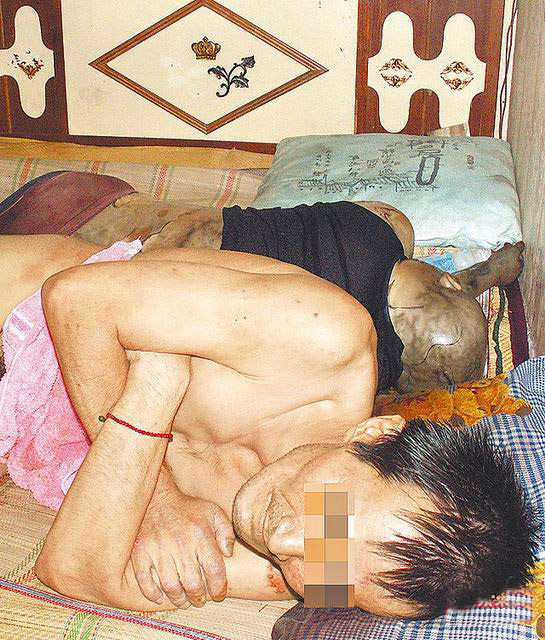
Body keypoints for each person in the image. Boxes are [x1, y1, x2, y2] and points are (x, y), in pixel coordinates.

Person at [0, 175, 533, 619]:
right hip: (19, 311)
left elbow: (72, 569)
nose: (282, 543)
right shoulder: (322, 339)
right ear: (374, 434)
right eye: (329, 519)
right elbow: (74, 297)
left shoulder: (323, 572)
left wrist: (156, 380)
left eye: (325, 571)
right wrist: (158, 498)